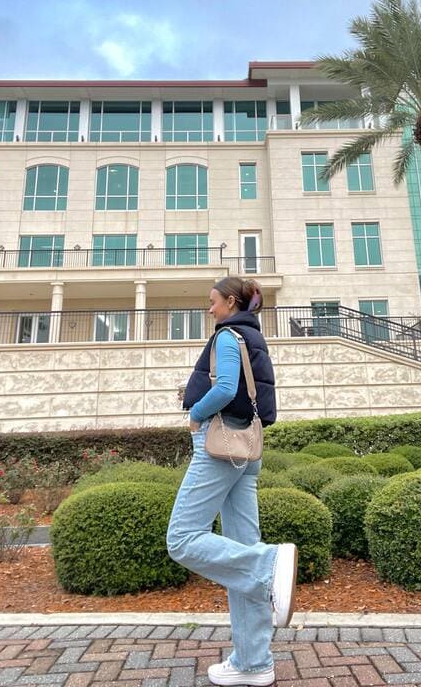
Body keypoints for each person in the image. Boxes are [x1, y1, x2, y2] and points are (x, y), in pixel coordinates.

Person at [167, 276, 298, 687]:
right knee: (239, 549)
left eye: (212, 302)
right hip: (247, 450)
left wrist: (195, 414)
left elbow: (225, 388)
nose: (209, 310)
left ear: (230, 302)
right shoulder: (253, 337)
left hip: (220, 447)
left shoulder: (227, 336)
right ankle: (254, 662)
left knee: (183, 538)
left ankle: (269, 564)